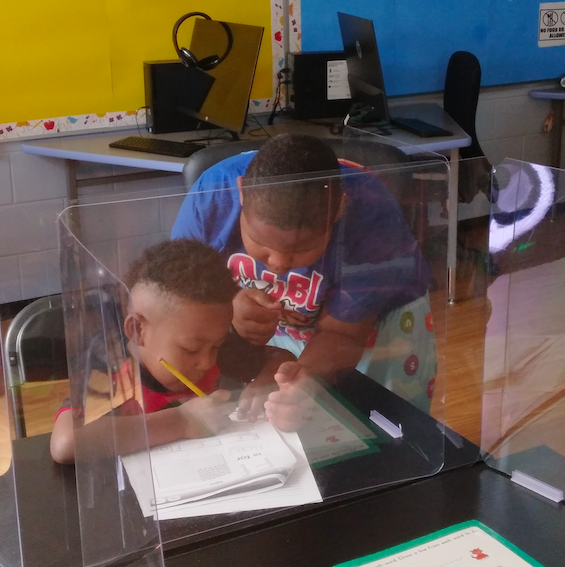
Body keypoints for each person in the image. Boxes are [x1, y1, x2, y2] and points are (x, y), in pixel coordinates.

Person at [171, 134, 435, 416]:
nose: (279, 265)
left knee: (372, 425)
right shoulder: (211, 196)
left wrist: (299, 379)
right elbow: (182, 291)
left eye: (303, 249)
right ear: (242, 193)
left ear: (339, 210)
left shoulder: (372, 217)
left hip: (374, 329)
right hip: (279, 332)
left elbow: (343, 334)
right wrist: (228, 305)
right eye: (260, 243)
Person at [50, 239, 304, 464]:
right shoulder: (110, 371)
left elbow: (279, 358)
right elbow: (65, 443)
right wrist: (181, 422)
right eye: (190, 349)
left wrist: (271, 380)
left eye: (216, 345)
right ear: (138, 330)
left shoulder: (215, 346)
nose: (207, 361)